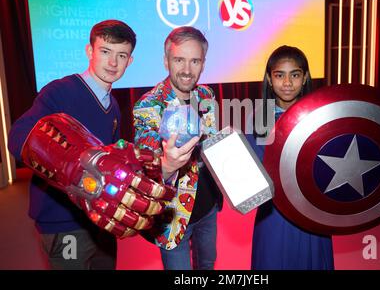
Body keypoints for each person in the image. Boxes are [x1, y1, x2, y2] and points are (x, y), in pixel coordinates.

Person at [8, 19, 174, 269]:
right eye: (105, 52)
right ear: (90, 51)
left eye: (121, 55)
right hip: (64, 223)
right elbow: (18, 136)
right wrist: (73, 164)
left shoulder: (114, 105)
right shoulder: (60, 91)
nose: (113, 63)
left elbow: (107, 164)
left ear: (130, 61)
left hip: (101, 218)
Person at [133, 26, 223, 270]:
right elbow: (146, 166)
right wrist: (165, 165)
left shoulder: (206, 94)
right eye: (179, 60)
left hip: (209, 208)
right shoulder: (149, 105)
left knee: (207, 265)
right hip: (172, 217)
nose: (186, 70)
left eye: (195, 61)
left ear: (203, 64)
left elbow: (211, 142)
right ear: (166, 61)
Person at [246, 45, 334, 269]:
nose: (287, 83)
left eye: (294, 75)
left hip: (311, 210)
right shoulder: (259, 120)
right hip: (274, 214)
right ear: (269, 78)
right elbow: (253, 175)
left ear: (304, 78)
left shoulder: (319, 116)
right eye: (279, 75)